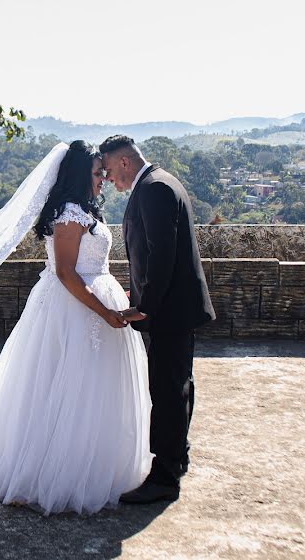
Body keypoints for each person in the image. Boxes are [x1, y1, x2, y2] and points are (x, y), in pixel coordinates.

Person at [0, 140, 153, 515]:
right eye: (97, 172)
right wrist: (103, 311)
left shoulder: (86, 210)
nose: (103, 178)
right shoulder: (69, 214)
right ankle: (53, 473)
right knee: (63, 386)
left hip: (95, 301)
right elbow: (67, 273)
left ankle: (93, 460)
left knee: (93, 390)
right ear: (77, 175)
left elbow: (94, 262)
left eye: (103, 172)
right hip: (73, 310)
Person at [99, 134, 216, 504]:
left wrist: (143, 306)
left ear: (124, 163)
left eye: (110, 173)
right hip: (176, 307)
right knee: (178, 385)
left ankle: (165, 478)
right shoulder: (163, 181)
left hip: (168, 310)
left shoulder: (152, 189)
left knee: (166, 392)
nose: (111, 183)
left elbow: (160, 255)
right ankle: (176, 459)